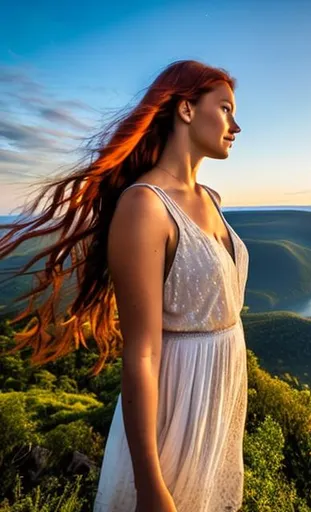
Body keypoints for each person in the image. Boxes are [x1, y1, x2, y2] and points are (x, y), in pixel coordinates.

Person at [0, 60, 248, 512]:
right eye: (226, 109)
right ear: (187, 110)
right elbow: (143, 353)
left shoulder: (211, 199)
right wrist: (150, 485)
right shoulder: (145, 206)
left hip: (219, 396)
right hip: (177, 404)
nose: (237, 125)